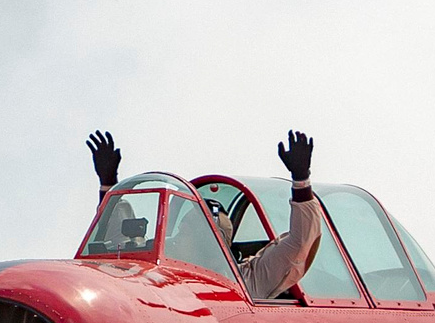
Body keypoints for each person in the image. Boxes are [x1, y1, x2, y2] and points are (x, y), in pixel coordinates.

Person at [85, 126, 327, 300]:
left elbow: (300, 243)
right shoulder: (156, 270)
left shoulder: (245, 281)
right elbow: (114, 245)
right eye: (186, 225)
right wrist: (109, 183)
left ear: (214, 241)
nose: (182, 233)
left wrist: (301, 181)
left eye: (194, 229)